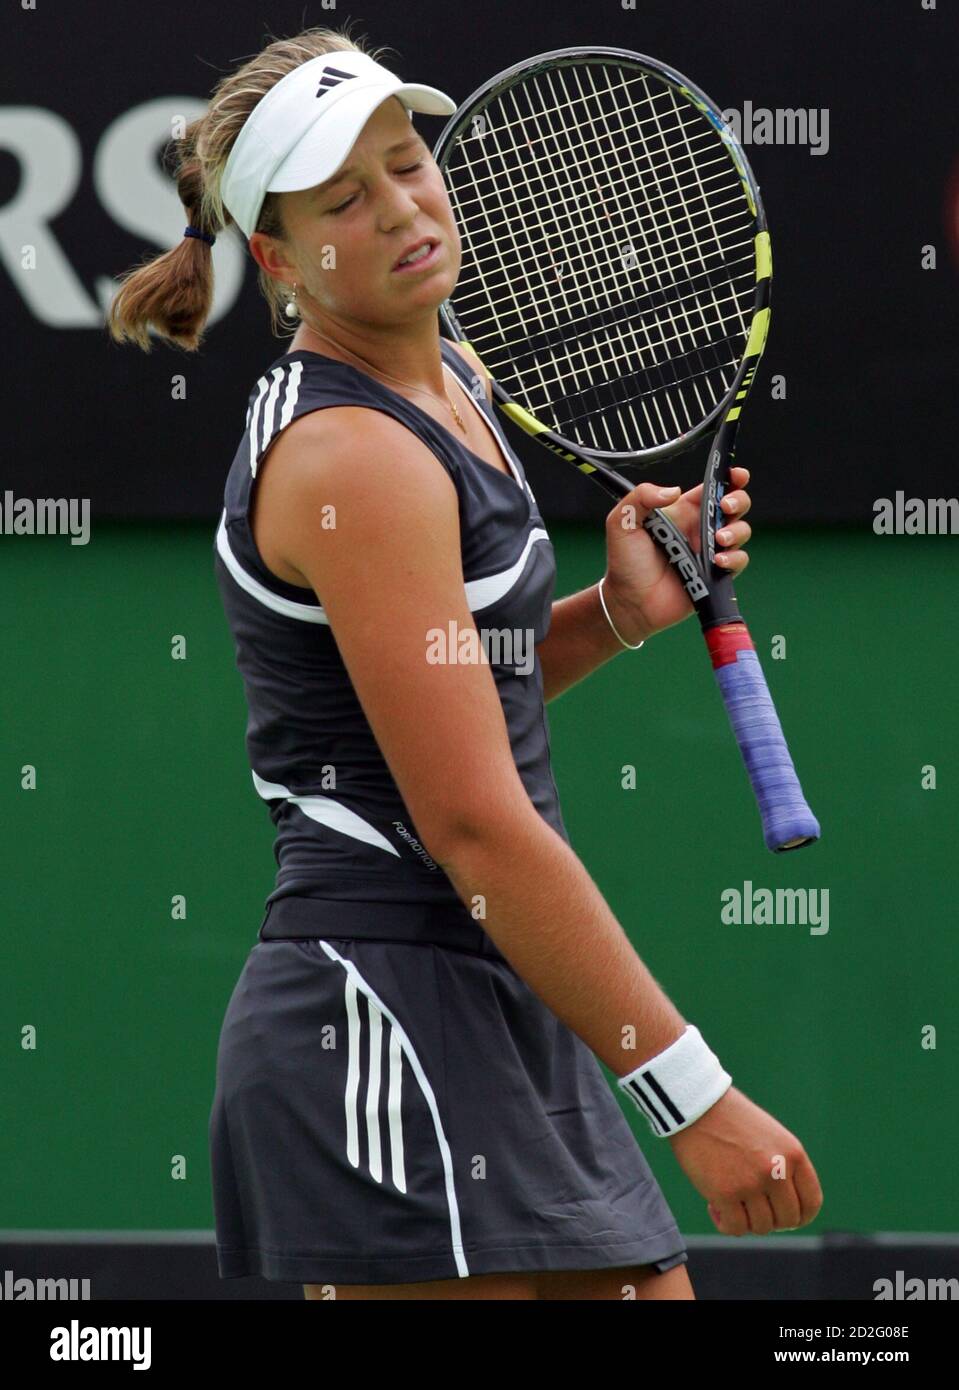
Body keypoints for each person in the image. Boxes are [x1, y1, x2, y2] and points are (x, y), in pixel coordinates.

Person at [107, 24, 823, 1302]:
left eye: (407, 163)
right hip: (372, 1009)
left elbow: (446, 692)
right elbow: (471, 818)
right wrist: (692, 1093)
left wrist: (611, 612)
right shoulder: (353, 460)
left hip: (498, 987)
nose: (401, 206)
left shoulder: (457, 379)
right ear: (280, 259)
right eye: (344, 199)